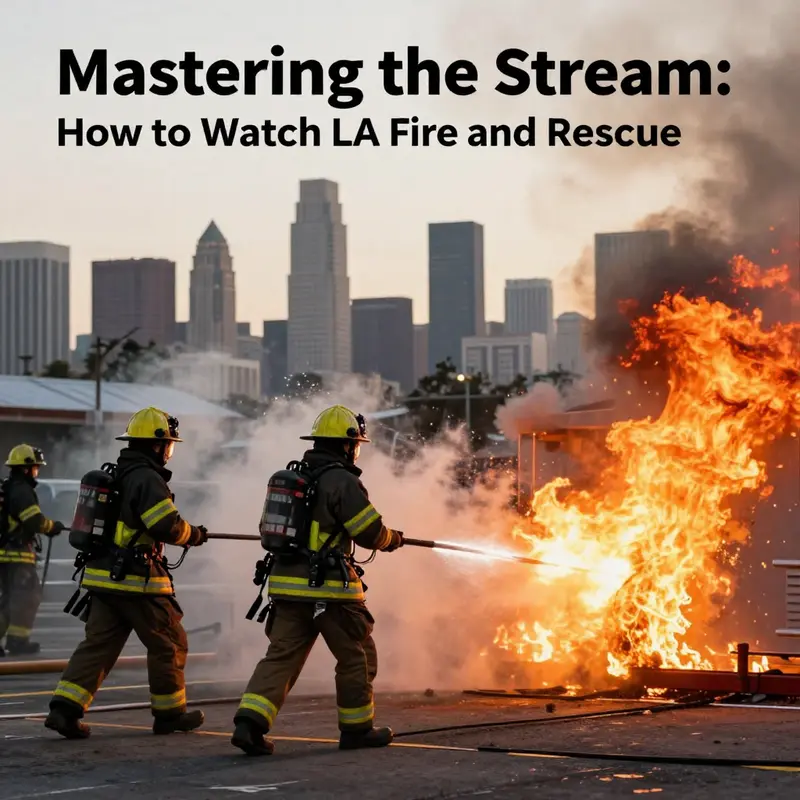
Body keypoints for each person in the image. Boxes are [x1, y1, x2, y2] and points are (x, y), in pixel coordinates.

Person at [231, 404, 405, 756]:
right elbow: (368, 531)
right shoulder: (343, 481)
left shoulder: (295, 478)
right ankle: (357, 729)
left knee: (281, 657)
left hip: (284, 586)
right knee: (357, 655)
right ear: (346, 445)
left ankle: (249, 724)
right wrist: (392, 539)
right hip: (329, 588)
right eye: (355, 444)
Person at [44, 407, 209, 739]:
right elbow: (164, 524)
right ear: (156, 444)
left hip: (102, 577)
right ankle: (169, 714)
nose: (169, 452)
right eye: (169, 445)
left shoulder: (119, 471)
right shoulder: (147, 478)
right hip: (136, 579)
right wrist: (194, 534)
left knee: (98, 646)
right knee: (170, 642)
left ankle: (64, 711)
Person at [0, 445, 66, 657]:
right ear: (27, 469)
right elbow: (34, 521)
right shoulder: (22, 491)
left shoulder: (9, 488)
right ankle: (18, 642)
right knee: (27, 597)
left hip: (6, 554)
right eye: (36, 467)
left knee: (11, 599)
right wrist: (52, 527)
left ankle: (16, 640)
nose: (37, 471)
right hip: (16, 555)